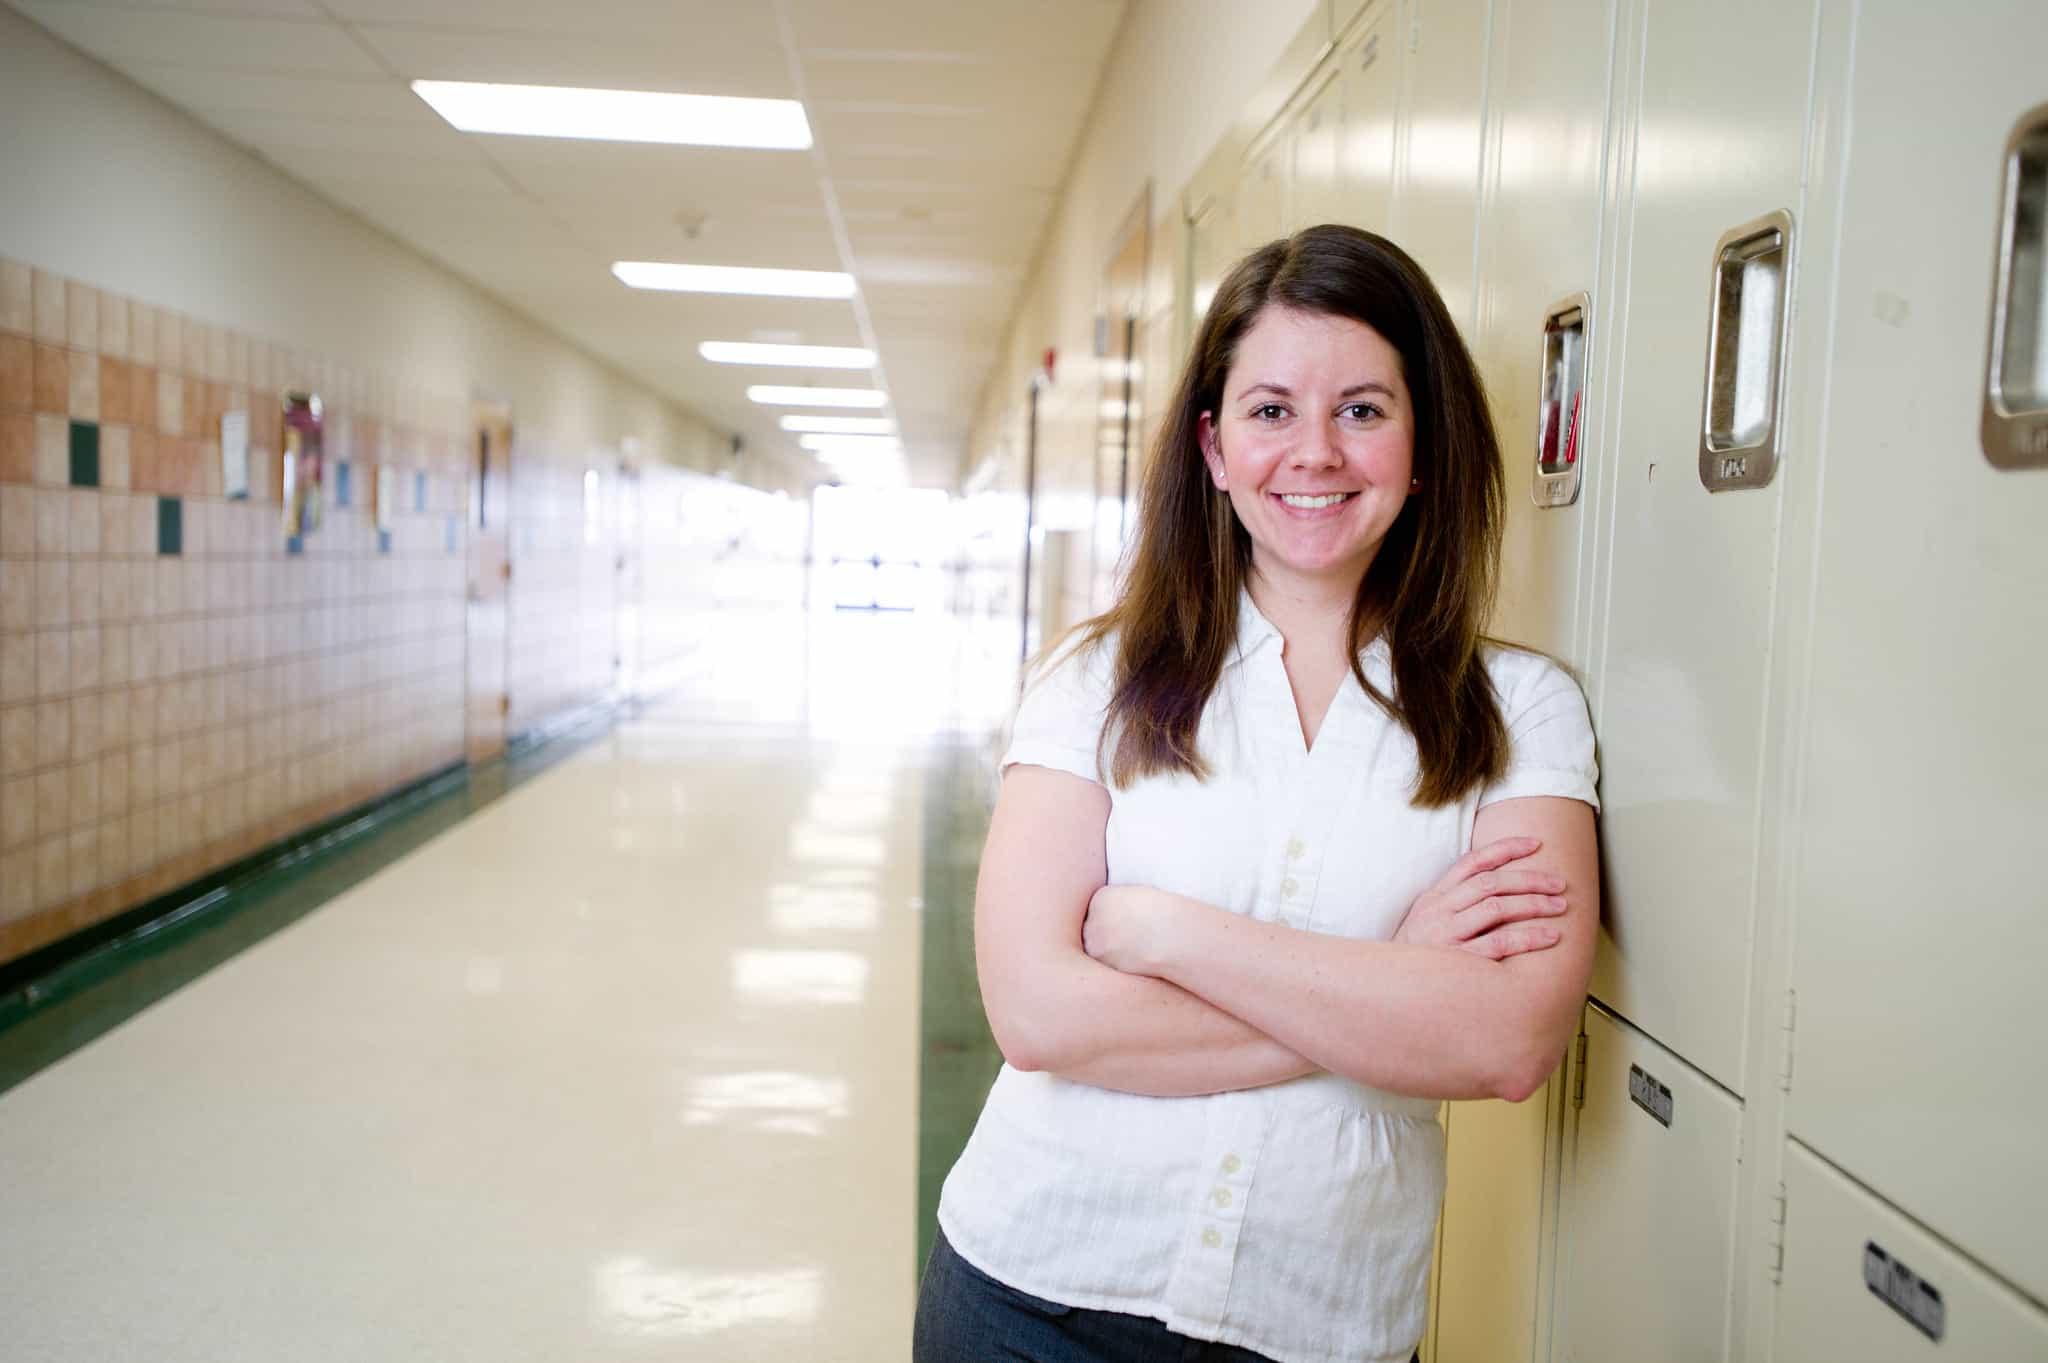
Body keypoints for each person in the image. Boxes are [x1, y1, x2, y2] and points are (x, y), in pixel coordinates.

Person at [914, 224, 1601, 1363]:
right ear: (1215, 448)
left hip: (1317, 1324)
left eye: (1363, 411)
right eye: (1270, 410)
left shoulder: (1518, 712)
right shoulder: (1095, 681)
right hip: (1025, 1297)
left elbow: (1506, 1040)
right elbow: (1035, 1015)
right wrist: (1388, 986)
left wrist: (1162, 932)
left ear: (1423, 443)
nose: (1314, 453)